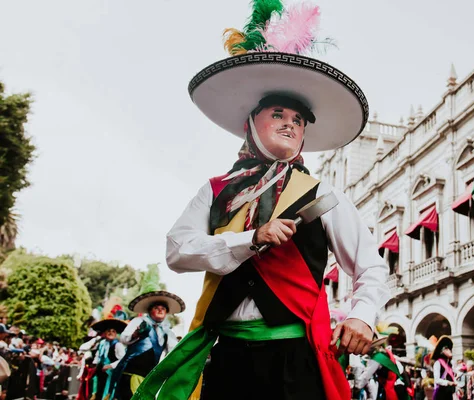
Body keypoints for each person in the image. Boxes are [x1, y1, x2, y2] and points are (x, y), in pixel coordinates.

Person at [132, 2, 389, 400]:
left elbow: (369, 265)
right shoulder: (215, 189)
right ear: (252, 122)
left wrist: (362, 316)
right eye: (279, 113)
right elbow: (177, 251)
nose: (290, 123)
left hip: (296, 358)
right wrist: (250, 239)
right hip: (227, 355)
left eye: (299, 120)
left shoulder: (322, 193)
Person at [111, 264, 183, 400]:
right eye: (157, 307)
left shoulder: (167, 331)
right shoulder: (140, 322)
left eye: (163, 308)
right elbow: (124, 339)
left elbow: (172, 352)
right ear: (150, 310)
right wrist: (136, 334)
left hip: (149, 377)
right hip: (131, 374)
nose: (161, 310)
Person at [89, 313, 127, 400]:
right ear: (104, 332)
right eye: (108, 331)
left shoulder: (118, 345)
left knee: (107, 394)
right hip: (100, 374)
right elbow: (98, 356)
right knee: (97, 392)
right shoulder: (102, 343)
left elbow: (123, 360)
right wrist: (95, 364)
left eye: (113, 331)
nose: (110, 333)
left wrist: (110, 366)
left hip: (111, 375)